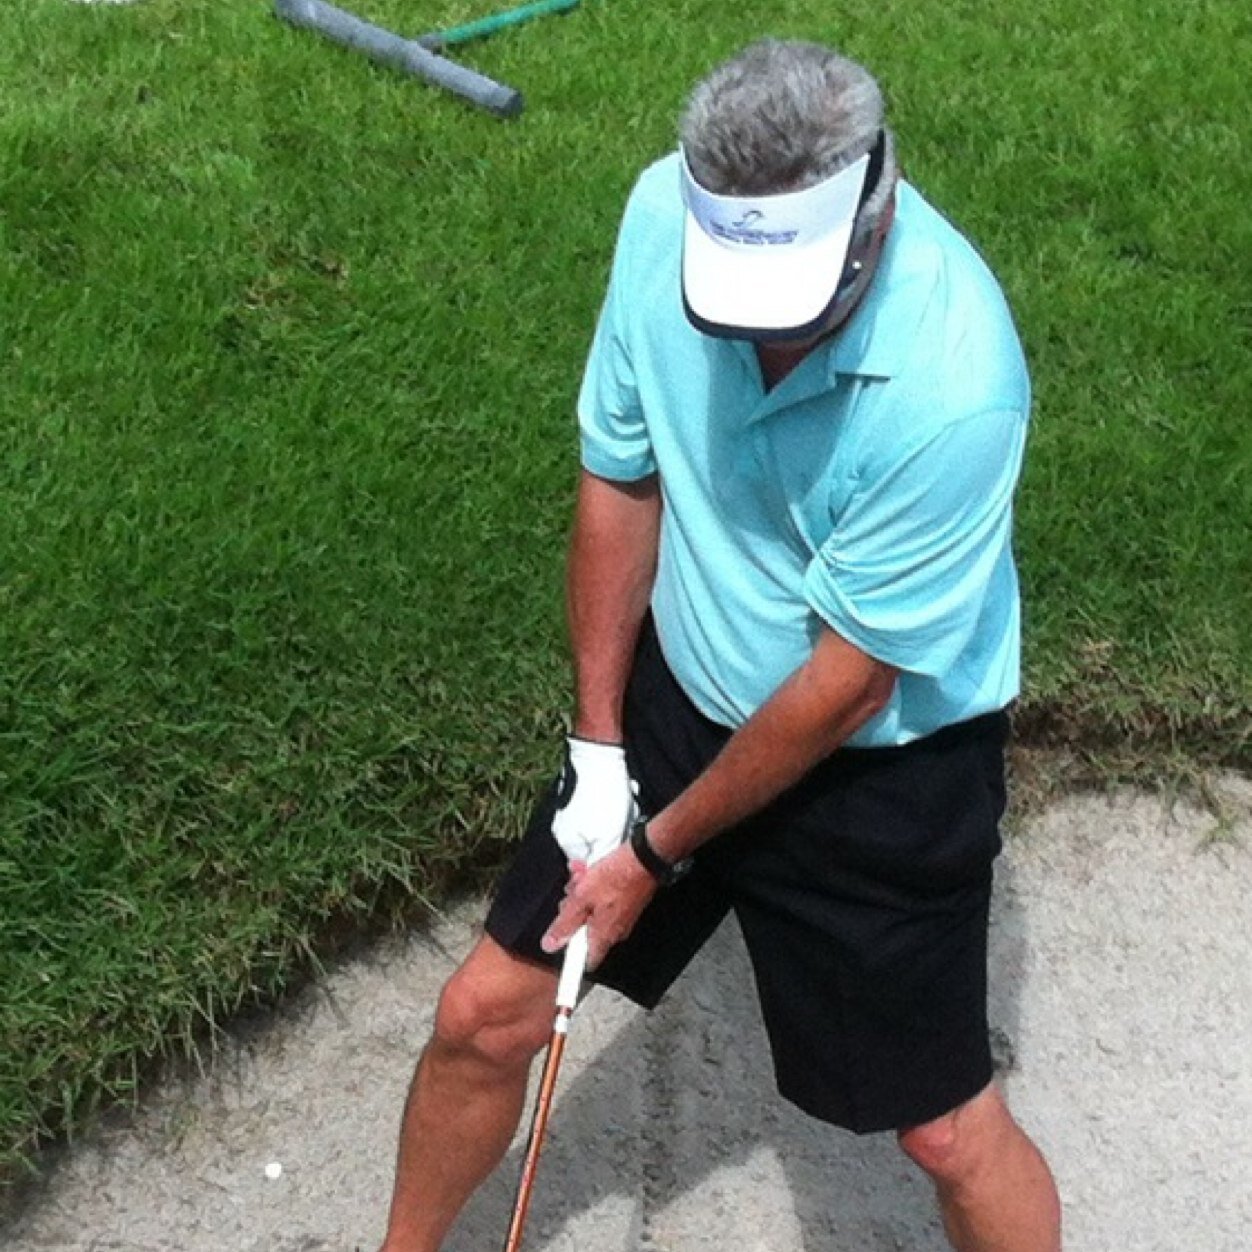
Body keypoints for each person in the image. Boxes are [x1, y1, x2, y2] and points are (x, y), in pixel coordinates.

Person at [377, 39, 1062, 1252]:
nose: (762, 348)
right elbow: (620, 474)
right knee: (486, 1012)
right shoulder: (659, 217)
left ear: (875, 209)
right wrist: (599, 743)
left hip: (882, 768)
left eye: (793, 314)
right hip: (680, 700)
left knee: (944, 1134)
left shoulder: (958, 384)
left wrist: (648, 854)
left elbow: (849, 685)